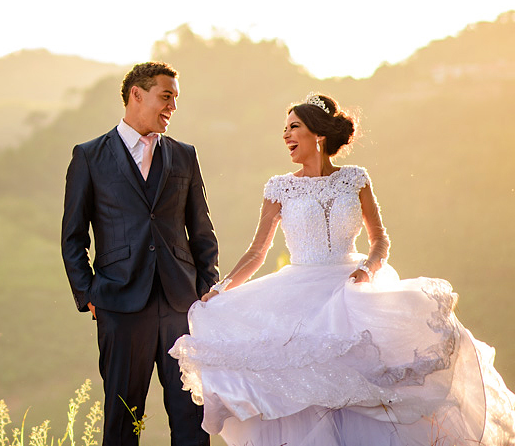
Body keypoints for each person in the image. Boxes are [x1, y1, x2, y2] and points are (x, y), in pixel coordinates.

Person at [169, 93, 515, 446]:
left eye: (294, 127)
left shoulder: (356, 179)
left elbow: (380, 238)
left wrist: (367, 269)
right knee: (309, 387)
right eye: (284, 129)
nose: (286, 135)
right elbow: (257, 252)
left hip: (352, 290)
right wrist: (223, 287)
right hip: (298, 294)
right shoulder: (279, 188)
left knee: (364, 384)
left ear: (317, 135)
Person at [62, 62, 219, 446]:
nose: (173, 107)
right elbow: (73, 236)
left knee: (190, 416)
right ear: (137, 94)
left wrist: (206, 289)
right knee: (122, 418)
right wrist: (89, 295)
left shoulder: (185, 155)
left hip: (181, 304)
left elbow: (202, 231)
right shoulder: (89, 156)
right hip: (118, 305)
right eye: (166, 96)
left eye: (175, 98)